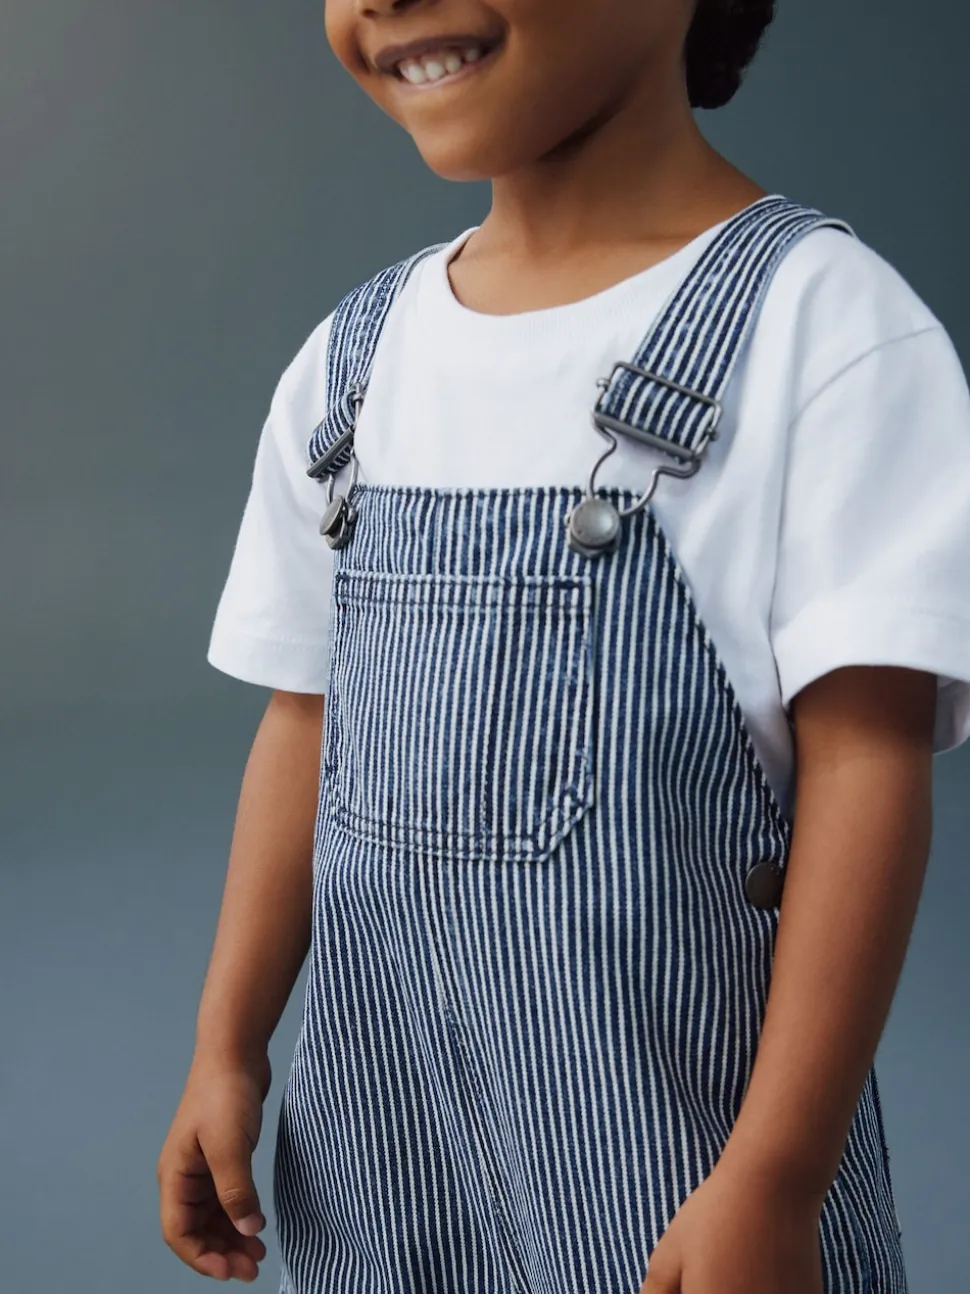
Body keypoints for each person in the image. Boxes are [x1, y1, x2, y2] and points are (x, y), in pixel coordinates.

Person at [157, 2, 970, 1291]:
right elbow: (307, 720)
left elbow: (869, 774)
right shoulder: (355, 366)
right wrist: (230, 1044)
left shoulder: (822, 332)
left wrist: (777, 1176)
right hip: (385, 1158)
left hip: (681, 1168)